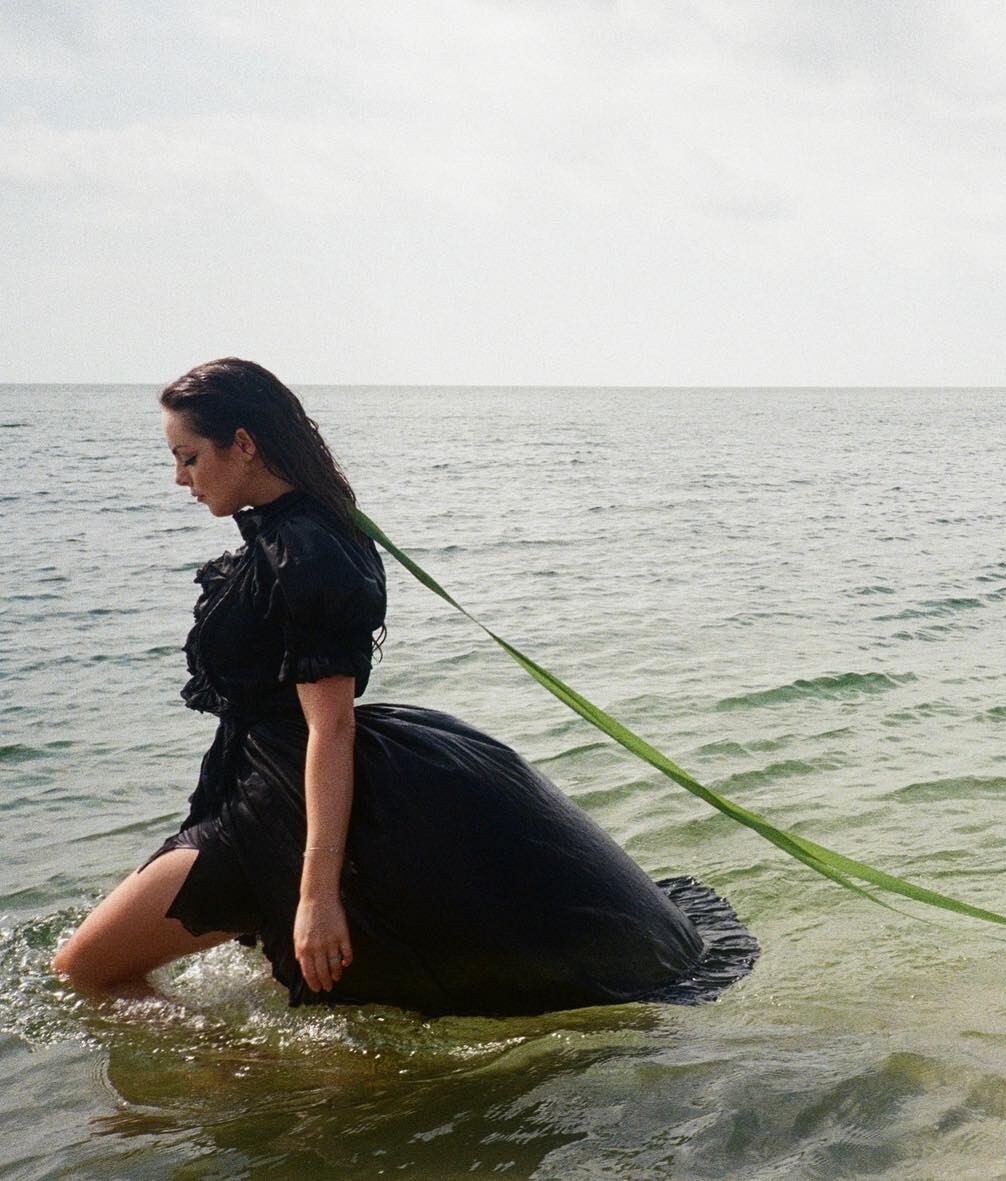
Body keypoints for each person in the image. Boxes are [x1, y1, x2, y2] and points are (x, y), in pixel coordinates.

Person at [51, 358, 758, 1016]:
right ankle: (293, 1074)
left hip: (278, 804)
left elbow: (330, 725)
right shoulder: (295, 530)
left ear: (242, 444)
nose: (180, 478)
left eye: (188, 457)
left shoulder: (305, 549)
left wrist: (317, 893)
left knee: (84, 971)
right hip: (262, 782)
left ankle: (253, 1076)